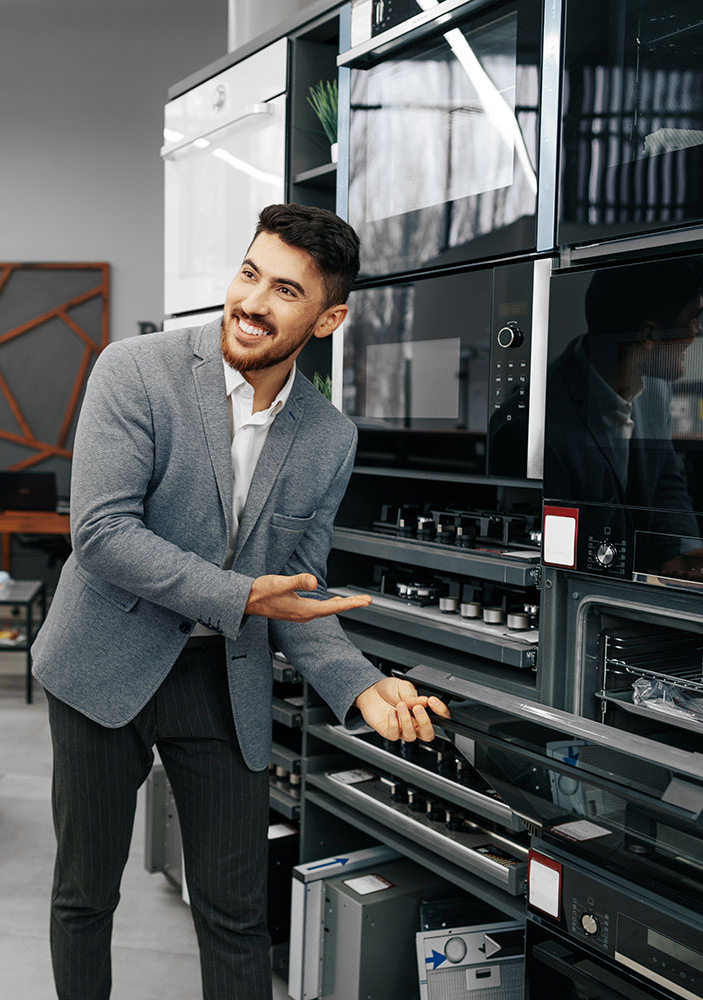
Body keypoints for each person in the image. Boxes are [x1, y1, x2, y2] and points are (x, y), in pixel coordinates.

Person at [32, 203, 452, 1000]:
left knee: (235, 910)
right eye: (250, 273)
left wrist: (364, 683)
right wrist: (240, 594)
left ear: (328, 317)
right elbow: (102, 533)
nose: (253, 302)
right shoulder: (135, 370)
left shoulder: (329, 437)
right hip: (100, 662)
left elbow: (299, 590)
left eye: (286, 291)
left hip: (219, 677)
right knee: (85, 895)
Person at [538, 255, 703, 580]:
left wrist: (683, 551)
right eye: (693, 318)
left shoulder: (656, 389)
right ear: (648, 337)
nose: (699, 331)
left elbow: (665, 480)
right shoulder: (542, 423)